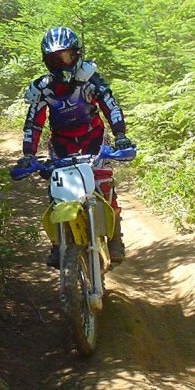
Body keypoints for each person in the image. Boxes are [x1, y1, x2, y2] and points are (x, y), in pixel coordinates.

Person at [16, 26, 134, 266]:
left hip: (94, 139)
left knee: (103, 183)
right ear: (46, 61)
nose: (62, 63)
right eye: (54, 59)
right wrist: (28, 154)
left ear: (77, 54)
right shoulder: (43, 88)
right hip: (62, 144)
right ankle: (58, 244)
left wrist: (120, 135)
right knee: (56, 191)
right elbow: (34, 123)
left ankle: (115, 240)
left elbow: (110, 105)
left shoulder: (89, 78)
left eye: (67, 56)